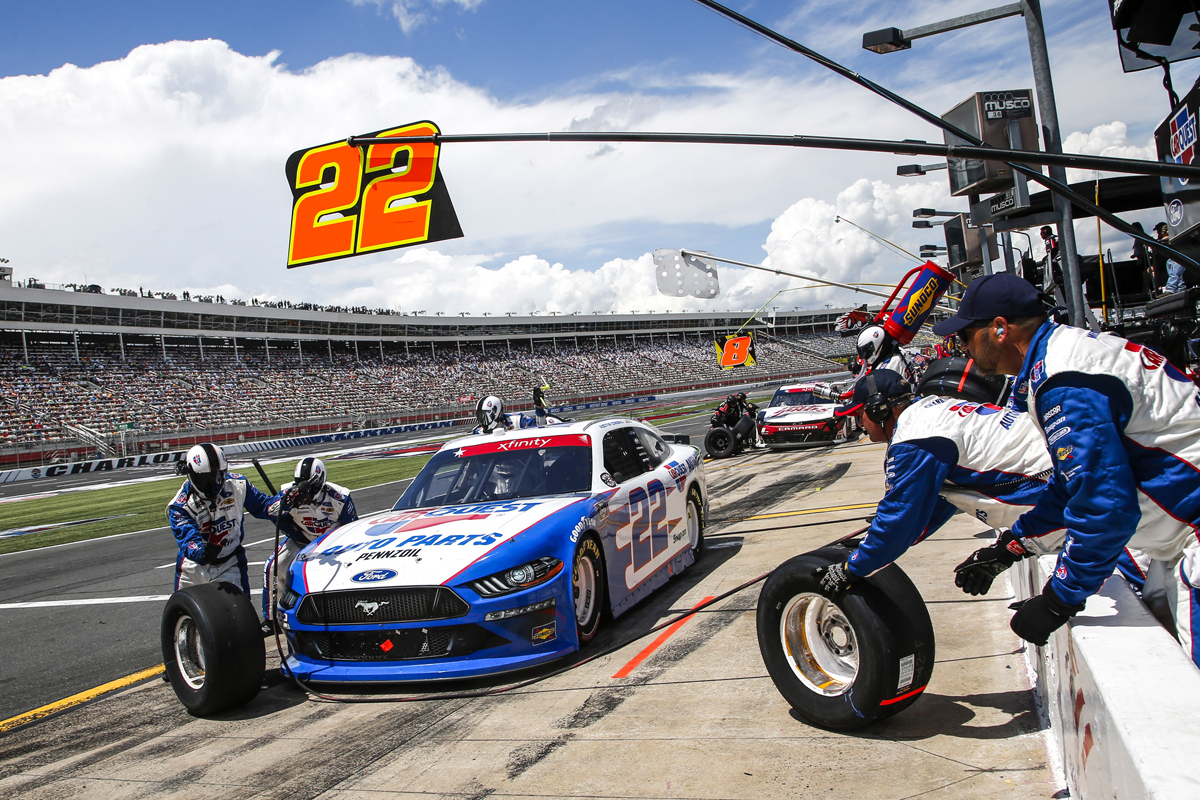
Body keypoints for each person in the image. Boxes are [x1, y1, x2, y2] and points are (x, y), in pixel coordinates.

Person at [933, 272, 1200, 667]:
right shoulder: (1062, 356)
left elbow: (1104, 505)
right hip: (1178, 536)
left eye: (965, 335)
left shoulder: (1064, 380)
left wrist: (1058, 600)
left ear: (1000, 329)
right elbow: (1071, 484)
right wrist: (1011, 547)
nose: (962, 348)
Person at [812, 362, 1063, 598]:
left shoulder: (914, 439)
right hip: (1060, 464)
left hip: (1055, 490)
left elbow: (900, 517)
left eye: (859, 415)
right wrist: (873, 543)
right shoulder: (930, 410)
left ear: (878, 409)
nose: (859, 424)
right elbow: (939, 500)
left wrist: (852, 569)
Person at [167, 443, 276, 596]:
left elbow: (264, 505)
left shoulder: (238, 485)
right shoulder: (179, 506)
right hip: (193, 568)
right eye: (204, 479)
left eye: (217, 477)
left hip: (230, 561)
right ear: (191, 474)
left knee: (239, 607)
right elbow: (187, 540)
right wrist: (202, 552)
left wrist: (285, 501)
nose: (212, 484)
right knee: (183, 608)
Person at [262, 457, 357, 627]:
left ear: (320, 481)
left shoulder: (339, 497)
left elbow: (352, 528)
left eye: (310, 485)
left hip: (333, 543)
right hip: (301, 539)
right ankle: (271, 619)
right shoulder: (287, 493)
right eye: (301, 483)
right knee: (273, 565)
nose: (306, 490)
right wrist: (287, 508)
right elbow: (271, 513)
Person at [1156, 222, 1186, 295]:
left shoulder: (1174, 235)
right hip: (1179, 256)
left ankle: (1171, 289)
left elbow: (1165, 240)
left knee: (1177, 263)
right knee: (1170, 262)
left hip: (1186, 255)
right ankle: (1180, 288)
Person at [1039, 226, 1063, 291]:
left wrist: (1046, 259)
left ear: (1045, 231)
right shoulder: (1056, 237)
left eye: (1041, 233)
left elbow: (1052, 252)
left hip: (1059, 263)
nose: (1041, 235)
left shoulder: (1049, 239)